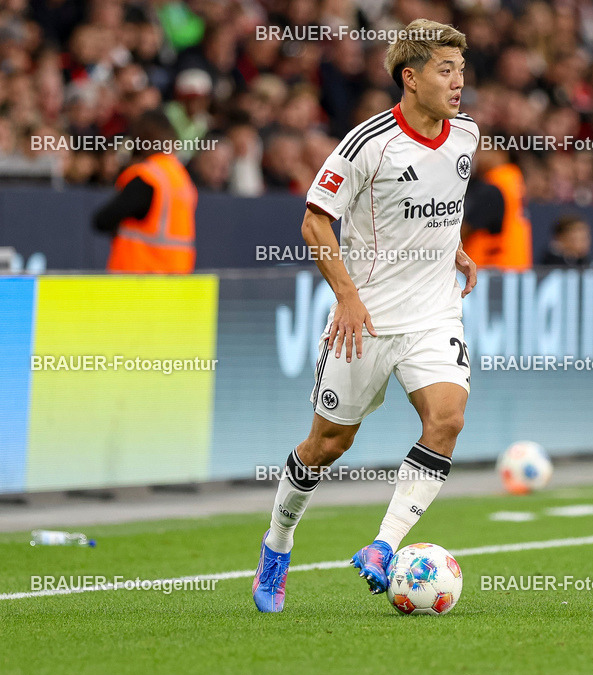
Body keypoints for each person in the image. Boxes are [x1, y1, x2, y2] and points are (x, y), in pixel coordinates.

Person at [252, 20, 479, 613]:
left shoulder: (466, 136)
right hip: (368, 320)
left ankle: (384, 545)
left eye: (461, 70)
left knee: (447, 421)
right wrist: (348, 297)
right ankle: (278, 543)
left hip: (434, 315)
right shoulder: (367, 144)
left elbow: (435, 206)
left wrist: (451, 247)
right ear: (411, 76)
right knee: (327, 444)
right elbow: (314, 221)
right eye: (445, 70)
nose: (459, 83)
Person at [92, 110, 197, 273]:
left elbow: (102, 220)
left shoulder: (149, 177)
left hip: (140, 283)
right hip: (176, 283)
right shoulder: (181, 177)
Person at [461, 146, 532, 270]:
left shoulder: (493, 185)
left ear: (499, 153)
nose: (476, 156)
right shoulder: (513, 178)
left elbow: (468, 227)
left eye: (482, 151)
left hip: (491, 265)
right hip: (516, 263)